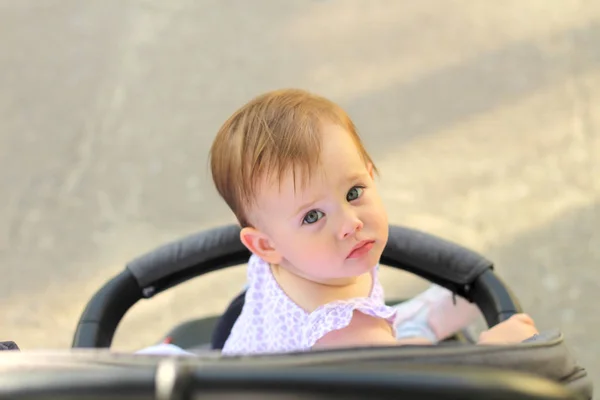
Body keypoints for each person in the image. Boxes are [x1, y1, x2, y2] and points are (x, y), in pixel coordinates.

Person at [138, 89, 539, 356]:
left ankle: (408, 331)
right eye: (313, 216)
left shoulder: (292, 255)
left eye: (353, 192)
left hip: (250, 358)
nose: (349, 223)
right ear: (265, 245)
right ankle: (411, 336)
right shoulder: (350, 335)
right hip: (345, 375)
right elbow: (418, 386)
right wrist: (500, 354)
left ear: (369, 172)